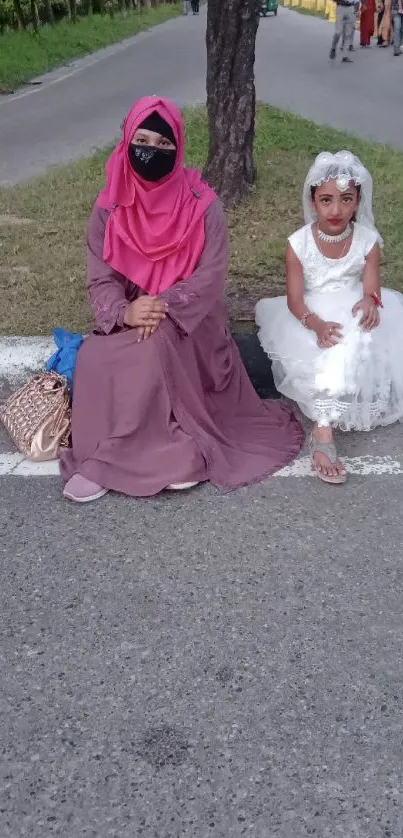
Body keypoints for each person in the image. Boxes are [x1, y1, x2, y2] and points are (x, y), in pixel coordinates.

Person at [61, 96, 303, 502]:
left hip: (191, 318)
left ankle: (162, 455)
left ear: (178, 150)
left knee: (155, 346)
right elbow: (100, 277)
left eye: (163, 143)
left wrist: (164, 307)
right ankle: (110, 455)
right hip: (131, 315)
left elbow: (209, 277)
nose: (150, 151)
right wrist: (126, 310)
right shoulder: (110, 206)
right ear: (126, 141)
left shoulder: (202, 205)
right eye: (141, 139)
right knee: (95, 357)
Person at [255, 151, 403, 485]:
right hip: (311, 312)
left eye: (346, 200)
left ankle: (324, 428)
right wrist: (316, 324)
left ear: (358, 200)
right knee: (327, 347)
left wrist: (370, 301)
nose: (335, 210)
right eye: (326, 200)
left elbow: (371, 288)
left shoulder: (367, 241)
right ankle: (323, 432)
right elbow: (294, 299)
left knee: (355, 336)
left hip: (351, 306)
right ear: (313, 200)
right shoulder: (298, 244)